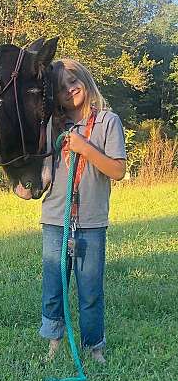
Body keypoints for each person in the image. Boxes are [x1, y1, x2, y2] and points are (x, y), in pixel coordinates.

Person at [40, 59, 126, 364]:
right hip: (54, 218)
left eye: (73, 82)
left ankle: (95, 348)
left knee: (90, 290)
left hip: (91, 221)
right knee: (54, 286)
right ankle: (53, 345)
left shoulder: (107, 121)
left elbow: (117, 170)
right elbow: (40, 167)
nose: (69, 90)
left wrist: (85, 148)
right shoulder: (51, 125)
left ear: (86, 81)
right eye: (61, 88)